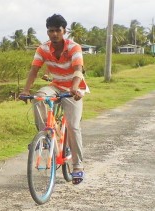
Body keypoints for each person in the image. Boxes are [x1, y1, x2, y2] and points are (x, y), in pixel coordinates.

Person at [19, 14, 90, 185]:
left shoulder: (73, 47)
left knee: (73, 126)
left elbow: (78, 69)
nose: (54, 34)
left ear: (64, 31)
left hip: (74, 88)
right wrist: (26, 90)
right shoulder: (43, 49)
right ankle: (45, 136)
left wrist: (74, 87)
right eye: (51, 31)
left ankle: (78, 166)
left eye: (58, 30)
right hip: (56, 85)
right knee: (39, 97)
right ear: (47, 32)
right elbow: (34, 70)